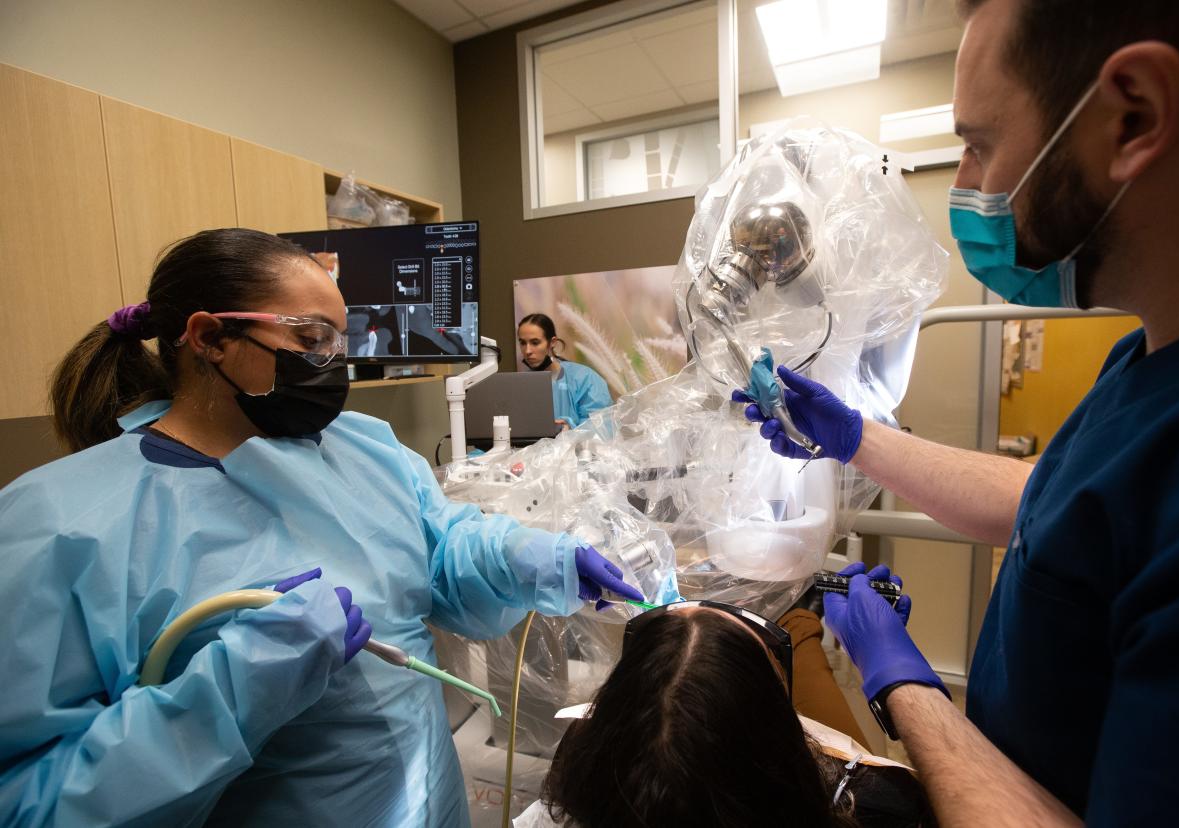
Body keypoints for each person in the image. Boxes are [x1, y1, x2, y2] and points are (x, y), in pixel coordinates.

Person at [738, 0, 1179, 823]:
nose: (967, 185)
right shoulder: (1158, 358)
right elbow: (1055, 500)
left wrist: (904, 688)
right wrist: (856, 438)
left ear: (1134, 116)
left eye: (977, 145)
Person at [0, 228, 642, 827]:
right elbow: (30, 799)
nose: (334, 363)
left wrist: (525, 557)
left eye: (341, 339)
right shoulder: (64, 527)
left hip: (429, 799)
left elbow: (436, 551)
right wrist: (235, 688)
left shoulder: (361, 447)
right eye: (310, 339)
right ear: (209, 338)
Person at [517, 596, 935, 828]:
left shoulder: (583, 770)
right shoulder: (880, 803)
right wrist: (896, 677)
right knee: (801, 627)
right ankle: (803, 620)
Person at [517, 313, 612, 429]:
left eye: (535, 342)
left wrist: (571, 429)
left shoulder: (584, 378)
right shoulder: (520, 384)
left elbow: (602, 426)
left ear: (552, 342)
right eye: (522, 343)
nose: (527, 350)